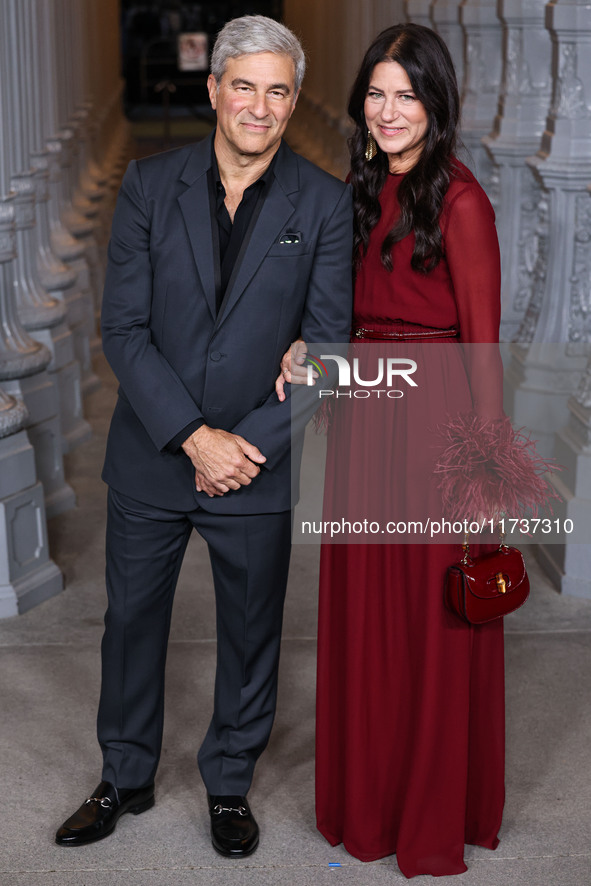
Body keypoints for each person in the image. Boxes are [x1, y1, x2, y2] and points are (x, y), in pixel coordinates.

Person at [54, 14, 353, 857]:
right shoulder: (150, 186)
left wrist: (245, 445)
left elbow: (329, 352)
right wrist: (194, 437)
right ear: (214, 88)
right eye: (245, 85)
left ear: (292, 104)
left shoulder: (324, 202)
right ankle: (124, 777)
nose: (259, 106)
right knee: (132, 624)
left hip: (258, 461)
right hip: (155, 453)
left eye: (278, 91)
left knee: (253, 632)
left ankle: (229, 784)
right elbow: (124, 330)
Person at [277, 23, 507, 879]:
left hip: (435, 435)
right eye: (375, 94)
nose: (387, 111)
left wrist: (484, 484)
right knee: (366, 620)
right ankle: (366, 803)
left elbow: (480, 350)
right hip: (365, 432)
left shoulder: (463, 204)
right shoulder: (358, 187)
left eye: (406, 95)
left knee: (431, 623)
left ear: (435, 104)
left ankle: (429, 814)